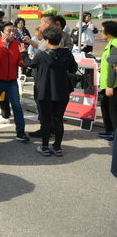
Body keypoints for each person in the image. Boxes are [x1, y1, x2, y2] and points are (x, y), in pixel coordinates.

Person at [20, 27, 77, 156]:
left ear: (46, 40)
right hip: (62, 91)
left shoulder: (41, 55)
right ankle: (57, 147)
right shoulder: (66, 53)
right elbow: (73, 69)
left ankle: (45, 146)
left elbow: (29, 63)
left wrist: (23, 52)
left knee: (45, 120)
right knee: (58, 119)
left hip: (45, 91)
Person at [0, 22, 29, 141]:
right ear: (1, 32)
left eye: (13, 31)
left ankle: (20, 131)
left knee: (17, 106)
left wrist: (24, 54)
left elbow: (20, 63)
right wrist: (4, 47)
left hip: (11, 81)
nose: (12, 33)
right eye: (9, 31)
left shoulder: (17, 44)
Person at [98, 21, 117, 142]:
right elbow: (108, 62)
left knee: (113, 110)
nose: (100, 32)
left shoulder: (114, 45)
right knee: (105, 107)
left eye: (102, 30)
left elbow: (114, 67)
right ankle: (109, 130)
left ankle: (114, 134)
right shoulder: (110, 43)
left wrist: (110, 85)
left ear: (108, 32)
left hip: (113, 85)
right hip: (107, 83)